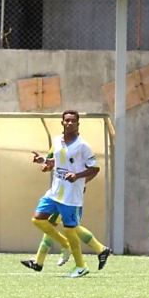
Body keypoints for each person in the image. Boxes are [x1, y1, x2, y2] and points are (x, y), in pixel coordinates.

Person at [27, 110, 100, 278]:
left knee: (71, 229)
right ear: (62, 123)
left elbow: (95, 168)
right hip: (54, 192)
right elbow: (56, 162)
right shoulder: (57, 142)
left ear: (77, 124)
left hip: (70, 196)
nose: (69, 123)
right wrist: (44, 161)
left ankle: (81, 264)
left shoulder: (82, 145)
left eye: (72, 121)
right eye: (66, 120)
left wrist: (79, 178)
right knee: (38, 219)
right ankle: (65, 246)